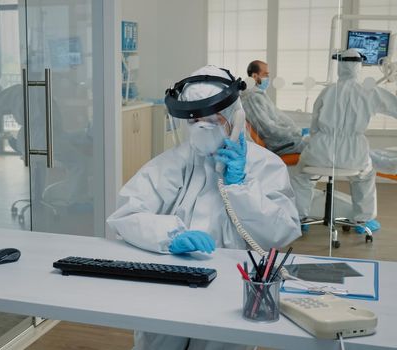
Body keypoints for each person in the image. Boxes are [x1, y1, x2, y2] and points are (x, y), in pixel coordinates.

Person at [107, 65, 301, 350]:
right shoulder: (173, 162)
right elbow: (126, 214)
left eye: (212, 119)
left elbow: (281, 231)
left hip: (233, 289)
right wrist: (169, 235)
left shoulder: (264, 165)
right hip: (169, 285)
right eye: (195, 119)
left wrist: (240, 188)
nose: (202, 127)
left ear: (235, 117)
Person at [291, 49, 397, 233]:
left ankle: (299, 219)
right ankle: (363, 222)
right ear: (358, 66)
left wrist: (317, 139)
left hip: (320, 150)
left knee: (302, 177)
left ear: (340, 66)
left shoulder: (328, 91)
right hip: (354, 153)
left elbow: (314, 125)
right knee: (365, 176)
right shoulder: (370, 91)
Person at [242, 60, 308, 155]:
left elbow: (276, 119)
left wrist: (298, 130)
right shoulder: (252, 98)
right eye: (265, 75)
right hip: (279, 145)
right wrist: (298, 132)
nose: (268, 78)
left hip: (285, 140)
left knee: (317, 141)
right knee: (317, 144)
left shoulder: (259, 95)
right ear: (255, 76)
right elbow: (270, 129)